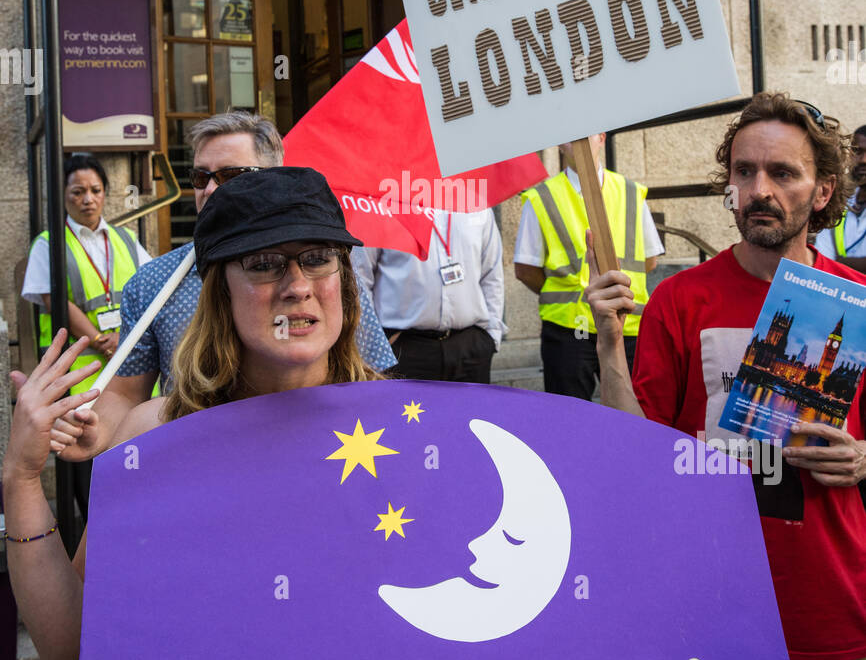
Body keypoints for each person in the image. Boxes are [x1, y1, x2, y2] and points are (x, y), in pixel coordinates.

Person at [2, 167, 597, 660]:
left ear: (345, 281)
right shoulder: (156, 437)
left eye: (318, 257)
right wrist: (21, 480)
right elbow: (67, 648)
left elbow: (487, 639)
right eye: (263, 264)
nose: (296, 284)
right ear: (216, 290)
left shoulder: (417, 431)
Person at [585, 93, 866, 660]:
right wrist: (610, 349)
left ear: (824, 190)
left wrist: (864, 459)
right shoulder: (682, 299)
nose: (761, 189)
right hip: (715, 616)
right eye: (745, 172)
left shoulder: (857, 302)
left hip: (838, 613)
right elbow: (629, 454)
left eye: (783, 172)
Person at [51, 111, 395, 460]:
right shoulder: (154, 281)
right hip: (201, 464)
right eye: (201, 178)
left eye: (232, 175)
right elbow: (126, 392)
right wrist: (96, 432)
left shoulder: (328, 274)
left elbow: (367, 375)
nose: (212, 189)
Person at [20, 152, 151, 516]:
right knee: (88, 481)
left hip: (128, 375)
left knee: (132, 471)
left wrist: (124, 336)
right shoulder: (49, 244)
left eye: (95, 190)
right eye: (78, 191)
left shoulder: (125, 241)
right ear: (63, 196)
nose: (87, 199)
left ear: (105, 193)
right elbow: (53, 298)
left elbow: (151, 291)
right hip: (80, 382)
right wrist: (98, 338)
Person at [515, 134, 663, 403]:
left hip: (628, 326)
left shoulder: (631, 192)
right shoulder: (541, 197)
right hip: (568, 330)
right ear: (559, 143)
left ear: (602, 138)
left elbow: (649, 260)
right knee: (569, 424)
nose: (580, 138)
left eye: (589, 131)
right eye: (571, 133)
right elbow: (525, 269)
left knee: (635, 420)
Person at [352, 208, 505, 384]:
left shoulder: (477, 208)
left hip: (470, 348)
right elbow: (359, 280)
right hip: (403, 349)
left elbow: (492, 276)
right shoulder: (376, 209)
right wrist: (375, 349)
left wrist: (491, 338)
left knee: (472, 412)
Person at [814, 123, 866, 273]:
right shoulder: (838, 200)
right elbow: (822, 262)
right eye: (857, 151)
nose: (863, 160)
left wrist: (839, 262)